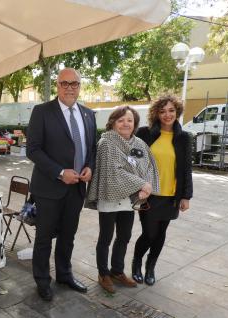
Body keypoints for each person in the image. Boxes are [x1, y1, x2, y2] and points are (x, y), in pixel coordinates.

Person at [26, 68, 97, 301]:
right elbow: (33, 149)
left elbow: (91, 149)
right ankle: (43, 281)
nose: (69, 87)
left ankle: (64, 275)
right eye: (64, 83)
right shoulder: (42, 112)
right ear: (57, 85)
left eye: (74, 83)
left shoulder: (88, 114)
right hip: (49, 188)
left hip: (76, 189)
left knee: (68, 235)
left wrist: (89, 167)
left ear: (80, 86)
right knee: (44, 237)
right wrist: (59, 172)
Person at [86, 106, 159, 294]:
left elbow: (149, 166)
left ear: (134, 124)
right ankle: (103, 274)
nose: (125, 123)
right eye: (121, 120)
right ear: (112, 123)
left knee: (124, 237)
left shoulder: (139, 143)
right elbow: (113, 172)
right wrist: (142, 184)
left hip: (129, 199)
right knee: (106, 237)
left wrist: (146, 186)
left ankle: (117, 271)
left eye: (129, 120)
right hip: (109, 196)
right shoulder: (106, 143)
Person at [132, 95, 193, 286]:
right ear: (156, 114)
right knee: (149, 233)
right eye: (162, 111)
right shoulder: (145, 133)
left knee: (161, 234)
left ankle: (151, 267)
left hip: (170, 196)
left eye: (171, 110)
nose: (167, 115)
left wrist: (186, 196)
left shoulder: (184, 138)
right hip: (148, 194)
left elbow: (186, 169)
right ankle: (136, 263)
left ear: (177, 112)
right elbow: (133, 160)